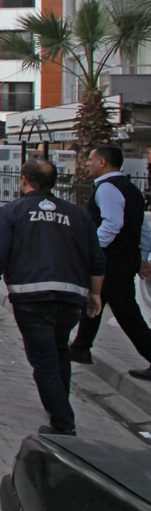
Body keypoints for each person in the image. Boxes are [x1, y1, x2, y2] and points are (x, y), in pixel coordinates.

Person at [0, 160, 105, 435]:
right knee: (59, 350)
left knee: (44, 360)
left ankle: (62, 423)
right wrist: (95, 294)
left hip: (32, 297)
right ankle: (59, 405)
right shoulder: (77, 214)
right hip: (71, 296)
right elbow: (97, 260)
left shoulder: (13, 211)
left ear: (24, 179)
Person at [69, 145, 151, 379]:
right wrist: (143, 256)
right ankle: (81, 347)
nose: (88, 164)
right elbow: (143, 228)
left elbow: (112, 225)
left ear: (103, 162)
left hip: (113, 261)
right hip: (125, 258)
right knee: (95, 300)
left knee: (126, 312)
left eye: (91, 160)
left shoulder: (107, 188)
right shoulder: (131, 189)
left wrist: (91, 248)